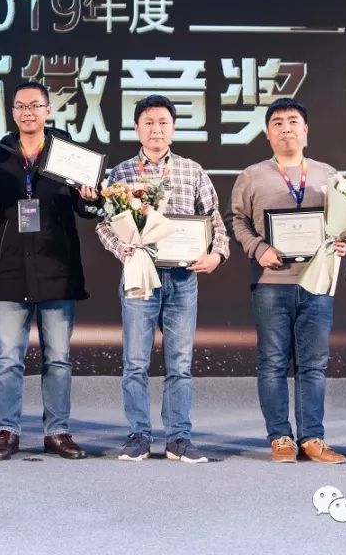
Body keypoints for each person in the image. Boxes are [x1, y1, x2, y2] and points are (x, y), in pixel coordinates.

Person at [0, 81, 99, 460]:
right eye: (20, 106)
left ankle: (57, 432)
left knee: (58, 359)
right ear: (12, 112)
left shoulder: (68, 154)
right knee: (7, 359)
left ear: (48, 110)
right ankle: (6, 432)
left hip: (58, 270)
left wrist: (90, 198)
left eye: (35, 105)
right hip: (13, 270)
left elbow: (85, 210)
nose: (28, 112)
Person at [95, 95, 229, 464]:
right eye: (149, 122)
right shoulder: (121, 174)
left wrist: (217, 254)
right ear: (137, 128)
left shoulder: (192, 170)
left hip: (182, 277)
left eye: (163, 122)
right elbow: (104, 224)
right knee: (135, 361)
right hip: (140, 274)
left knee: (180, 363)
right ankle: (138, 435)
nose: (156, 129)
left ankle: (179, 438)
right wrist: (121, 249)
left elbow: (215, 221)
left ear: (173, 128)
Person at [229, 97, 346, 464]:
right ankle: (280, 437)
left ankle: (312, 438)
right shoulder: (252, 175)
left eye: (293, 121)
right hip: (271, 283)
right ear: (267, 133)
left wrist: (343, 240)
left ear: (305, 130)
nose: (286, 129)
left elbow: (343, 221)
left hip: (317, 283)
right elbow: (237, 220)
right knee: (273, 363)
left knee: (313, 365)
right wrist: (257, 247)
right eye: (277, 123)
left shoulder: (329, 175)